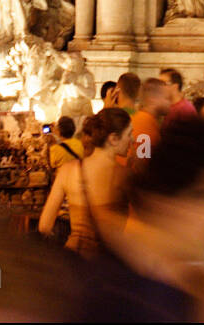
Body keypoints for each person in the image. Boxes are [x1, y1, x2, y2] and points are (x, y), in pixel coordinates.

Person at [38, 107, 133, 256]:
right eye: (129, 134)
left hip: (73, 260)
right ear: (113, 138)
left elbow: (44, 225)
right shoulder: (125, 176)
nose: (132, 140)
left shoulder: (67, 170)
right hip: (108, 264)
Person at [129, 79, 168, 178]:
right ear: (153, 99)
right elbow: (141, 166)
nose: (171, 102)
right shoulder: (144, 123)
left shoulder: (146, 120)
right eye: (167, 98)